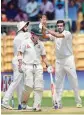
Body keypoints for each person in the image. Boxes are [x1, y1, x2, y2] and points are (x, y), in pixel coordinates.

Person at [40, 18, 82, 108]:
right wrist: (43, 27)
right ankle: (58, 103)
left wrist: (46, 28)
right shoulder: (54, 34)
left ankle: (78, 101)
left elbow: (58, 35)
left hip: (68, 59)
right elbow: (43, 36)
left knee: (73, 81)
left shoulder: (67, 33)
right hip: (59, 61)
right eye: (58, 26)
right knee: (58, 83)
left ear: (64, 26)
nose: (59, 27)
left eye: (61, 26)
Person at [17, 28, 52, 111]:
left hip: (38, 67)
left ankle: (37, 105)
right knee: (28, 86)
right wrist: (20, 64)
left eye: (39, 35)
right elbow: (19, 53)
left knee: (39, 87)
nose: (39, 37)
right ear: (32, 34)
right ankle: (23, 103)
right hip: (27, 66)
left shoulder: (41, 44)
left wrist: (49, 65)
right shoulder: (25, 42)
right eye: (37, 35)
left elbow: (44, 57)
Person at [1, 21, 32, 110]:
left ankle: (21, 104)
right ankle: (5, 101)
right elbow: (34, 35)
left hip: (17, 60)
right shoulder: (24, 35)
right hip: (20, 61)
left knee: (20, 84)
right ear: (22, 28)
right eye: (25, 25)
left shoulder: (17, 37)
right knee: (16, 82)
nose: (27, 26)